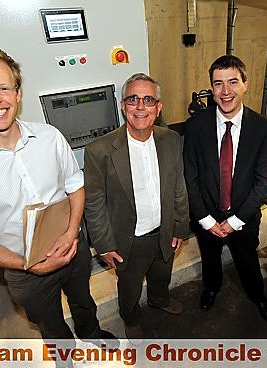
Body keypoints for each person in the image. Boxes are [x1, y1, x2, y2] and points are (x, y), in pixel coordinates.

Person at [0, 39, 115, 342]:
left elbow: (75, 185)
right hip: (23, 269)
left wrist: (72, 232)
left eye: (4, 88)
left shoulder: (50, 137)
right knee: (49, 322)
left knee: (83, 299)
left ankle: (91, 332)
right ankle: (65, 354)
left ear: (17, 93)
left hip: (73, 248)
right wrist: (28, 264)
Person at [83, 73, 190, 340]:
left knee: (162, 273)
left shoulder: (171, 140)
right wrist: (104, 244)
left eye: (148, 100)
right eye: (133, 99)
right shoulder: (100, 150)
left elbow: (178, 185)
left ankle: (158, 299)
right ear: (123, 105)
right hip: (127, 241)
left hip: (164, 232)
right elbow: (94, 203)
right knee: (129, 286)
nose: (140, 107)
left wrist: (180, 226)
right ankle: (130, 317)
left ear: (158, 107)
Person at [183, 55, 267, 324]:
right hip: (207, 217)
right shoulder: (196, 126)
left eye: (233, 82)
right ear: (211, 89)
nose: (226, 92)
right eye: (218, 84)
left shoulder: (262, 128)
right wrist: (206, 219)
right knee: (210, 257)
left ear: (245, 84)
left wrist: (234, 222)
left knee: (247, 259)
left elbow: (263, 181)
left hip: (244, 218)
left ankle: (257, 295)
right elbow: (190, 176)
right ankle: (211, 288)